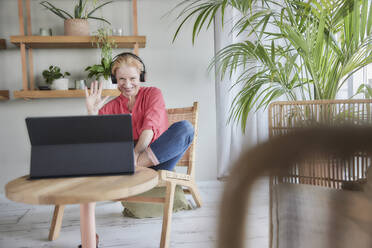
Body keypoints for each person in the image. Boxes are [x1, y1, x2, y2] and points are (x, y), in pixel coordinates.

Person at [84, 52, 194, 171]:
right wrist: (92, 113)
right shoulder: (109, 108)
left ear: (141, 77)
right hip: (125, 157)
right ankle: (127, 166)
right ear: (115, 79)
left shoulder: (153, 94)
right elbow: (97, 143)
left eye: (132, 78)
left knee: (185, 128)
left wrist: (135, 155)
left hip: (157, 161)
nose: (127, 84)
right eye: (121, 79)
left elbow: (148, 130)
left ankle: (129, 166)